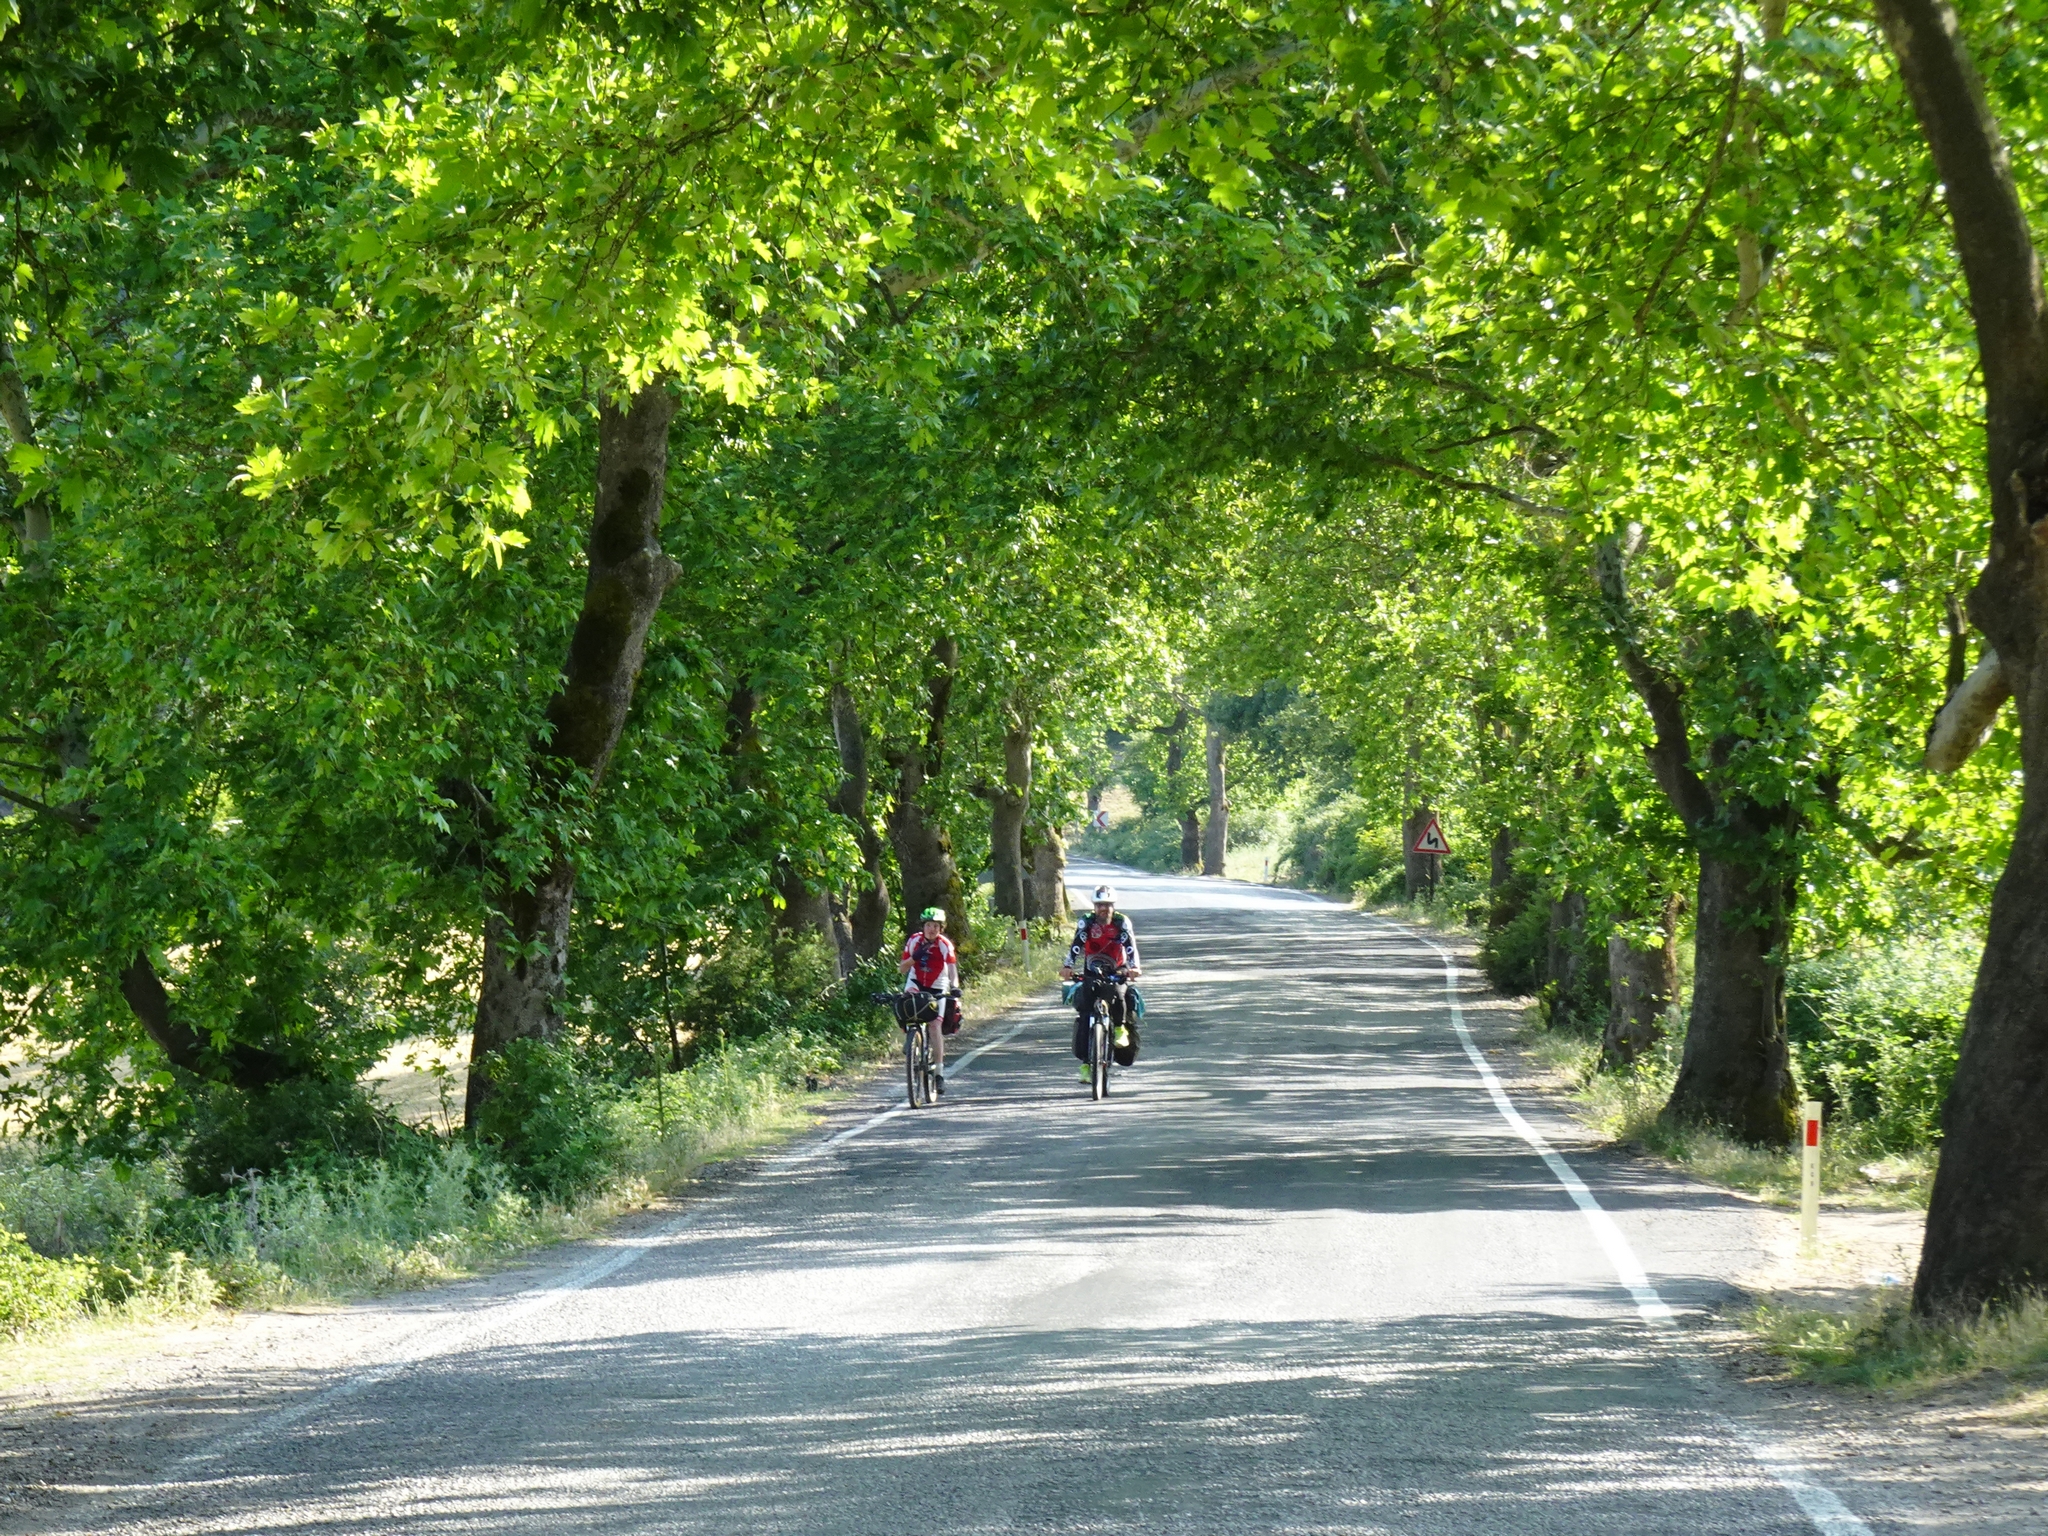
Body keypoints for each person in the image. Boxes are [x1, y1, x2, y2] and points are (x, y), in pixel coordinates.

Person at [1059, 884, 1142, 1081]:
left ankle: (1120, 1029)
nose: (1103, 909)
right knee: (1086, 1009)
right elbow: (1076, 946)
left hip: (1117, 969)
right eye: (1099, 905)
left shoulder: (1122, 923)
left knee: (1119, 993)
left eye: (1107, 905)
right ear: (1094, 907)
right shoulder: (1087, 922)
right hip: (1091, 970)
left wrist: (1134, 968)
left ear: (1113, 906)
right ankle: (1087, 1065)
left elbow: (1130, 947)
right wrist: (1067, 966)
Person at [899, 906, 961, 1094]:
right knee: (905, 1003)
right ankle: (911, 1039)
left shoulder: (944, 944)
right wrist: (914, 959)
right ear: (923, 926)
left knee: (934, 1025)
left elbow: (951, 969)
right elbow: (902, 969)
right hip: (916, 981)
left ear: (941, 928)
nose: (931, 929)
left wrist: (955, 987)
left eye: (935, 926)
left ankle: (940, 1073)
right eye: (928, 925)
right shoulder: (914, 941)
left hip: (938, 984)